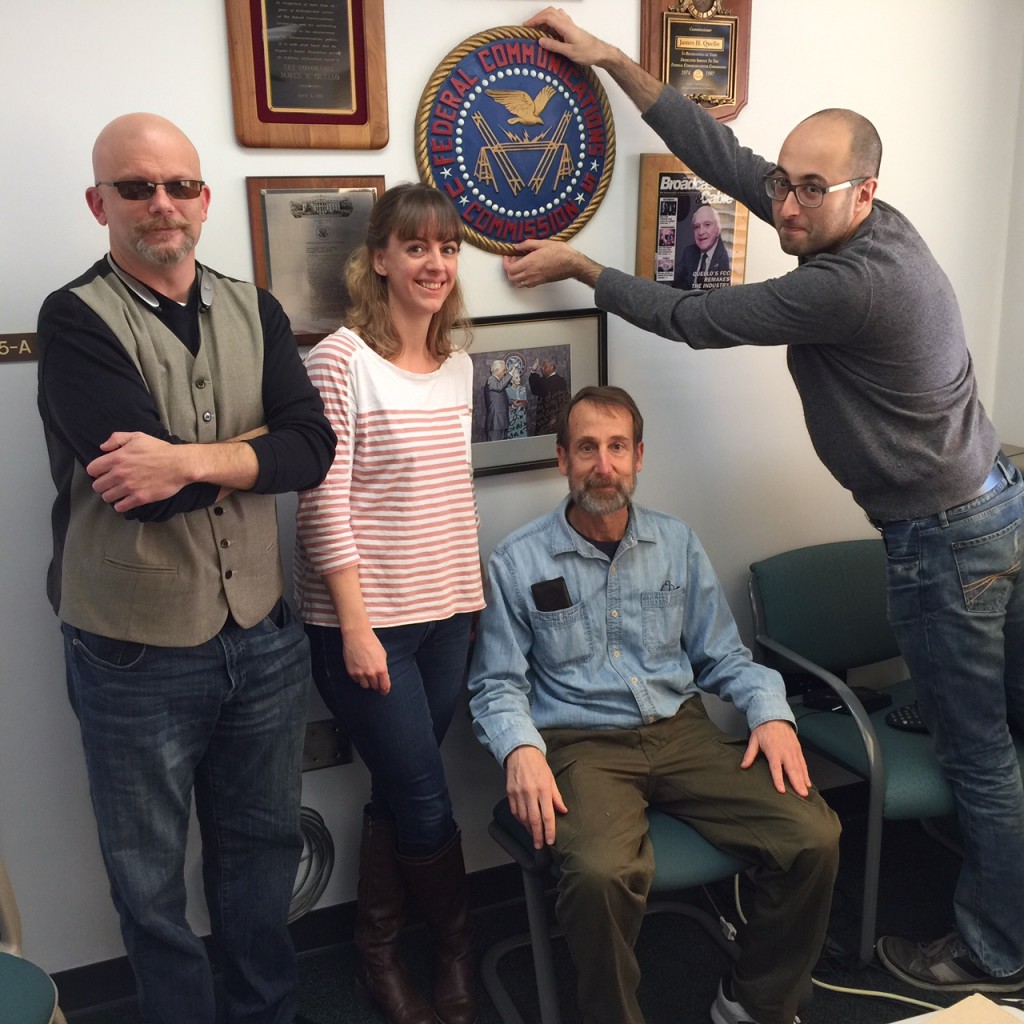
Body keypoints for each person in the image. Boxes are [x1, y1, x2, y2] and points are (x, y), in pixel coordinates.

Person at [502, 8, 1024, 994]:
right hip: (987, 507)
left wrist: (580, 267)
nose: (784, 200)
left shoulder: (850, 285)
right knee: (987, 715)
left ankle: (996, 947)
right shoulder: (844, 214)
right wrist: (611, 60)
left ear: (863, 192)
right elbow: (725, 158)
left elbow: (695, 317)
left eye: (807, 187)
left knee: (980, 750)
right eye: (784, 180)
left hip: (946, 539)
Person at [35, 113, 336, 1024]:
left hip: (264, 636)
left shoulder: (257, 308)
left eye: (179, 185)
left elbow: (312, 450)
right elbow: (144, 493)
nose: (161, 203)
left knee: (263, 852)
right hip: (133, 650)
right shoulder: (73, 319)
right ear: (100, 204)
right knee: (148, 879)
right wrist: (254, 448)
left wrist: (189, 457)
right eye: (136, 187)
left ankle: (264, 1013)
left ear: (204, 200)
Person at [468, 386, 840, 1024]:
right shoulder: (518, 560)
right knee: (599, 874)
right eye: (587, 448)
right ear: (562, 459)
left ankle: (755, 1002)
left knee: (814, 835)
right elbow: (495, 684)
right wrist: (520, 749)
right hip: (582, 747)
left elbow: (723, 656)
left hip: (681, 732)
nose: (603, 465)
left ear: (638, 457)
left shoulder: (676, 543)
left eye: (617, 447)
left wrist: (770, 713)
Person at [294, 183, 485, 1024]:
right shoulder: (340, 361)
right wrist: (357, 629)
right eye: (415, 247)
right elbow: (319, 507)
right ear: (378, 259)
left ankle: (375, 946)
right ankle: (448, 952)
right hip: (368, 630)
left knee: (405, 787)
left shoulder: (459, 366)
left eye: (447, 247)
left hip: (448, 621)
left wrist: (473, 602)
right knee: (426, 796)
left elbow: (455, 500)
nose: (435, 263)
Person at [675, 203, 731, 290]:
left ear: (718, 229)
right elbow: (676, 282)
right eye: (697, 226)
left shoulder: (727, 257)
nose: (701, 232)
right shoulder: (689, 253)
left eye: (707, 225)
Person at [528, 357, 570, 434]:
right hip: (545, 417)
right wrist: (533, 371)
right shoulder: (547, 380)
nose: (542, 369)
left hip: (551, 418)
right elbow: (535, 390)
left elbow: (562, 401)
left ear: (552, 367)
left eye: (545, 367)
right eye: (542, 367)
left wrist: (554, 417)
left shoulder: (558, 381)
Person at [484, 357, 511, 440]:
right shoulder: (491, 379)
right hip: (495, 423)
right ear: (496, 370)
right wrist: (510, 374)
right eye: (504, 370)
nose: (505, 373)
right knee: (494, 447)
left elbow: (501, 400)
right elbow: (499, 387)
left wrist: (513, 402)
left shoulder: (498, 382)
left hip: (501, 423)